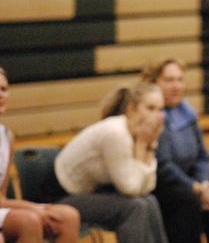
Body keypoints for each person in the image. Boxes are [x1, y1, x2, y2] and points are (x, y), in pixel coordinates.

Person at [52, 83, 168, 243]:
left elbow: (146, 187)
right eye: (150, 108)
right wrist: (142, 145)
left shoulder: (139, 134)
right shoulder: (116, 133)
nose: (157, 116)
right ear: (132, 109)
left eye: (160, 110)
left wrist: (149, 148)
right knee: (135, 207)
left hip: (92, 193)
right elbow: (130, 189)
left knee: (150, 201)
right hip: (61, 197)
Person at [141, 58, 209, 243]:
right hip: (160, 186)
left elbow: (202, 156)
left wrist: (205, 185)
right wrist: (196, 188)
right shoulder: (152, 114)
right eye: (169, 80)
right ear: (154, 83)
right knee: (188, 200)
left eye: (180, 79)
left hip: (190, 183)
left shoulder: (187, 112)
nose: (176, 86)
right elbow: (163, 165)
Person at [0, 67, 80, 243]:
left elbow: (1, 197)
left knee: (67, 217)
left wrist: (36, 207)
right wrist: (31, 208)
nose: (1, 95)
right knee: (28, 221)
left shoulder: (7, 135)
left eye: (4, 89)